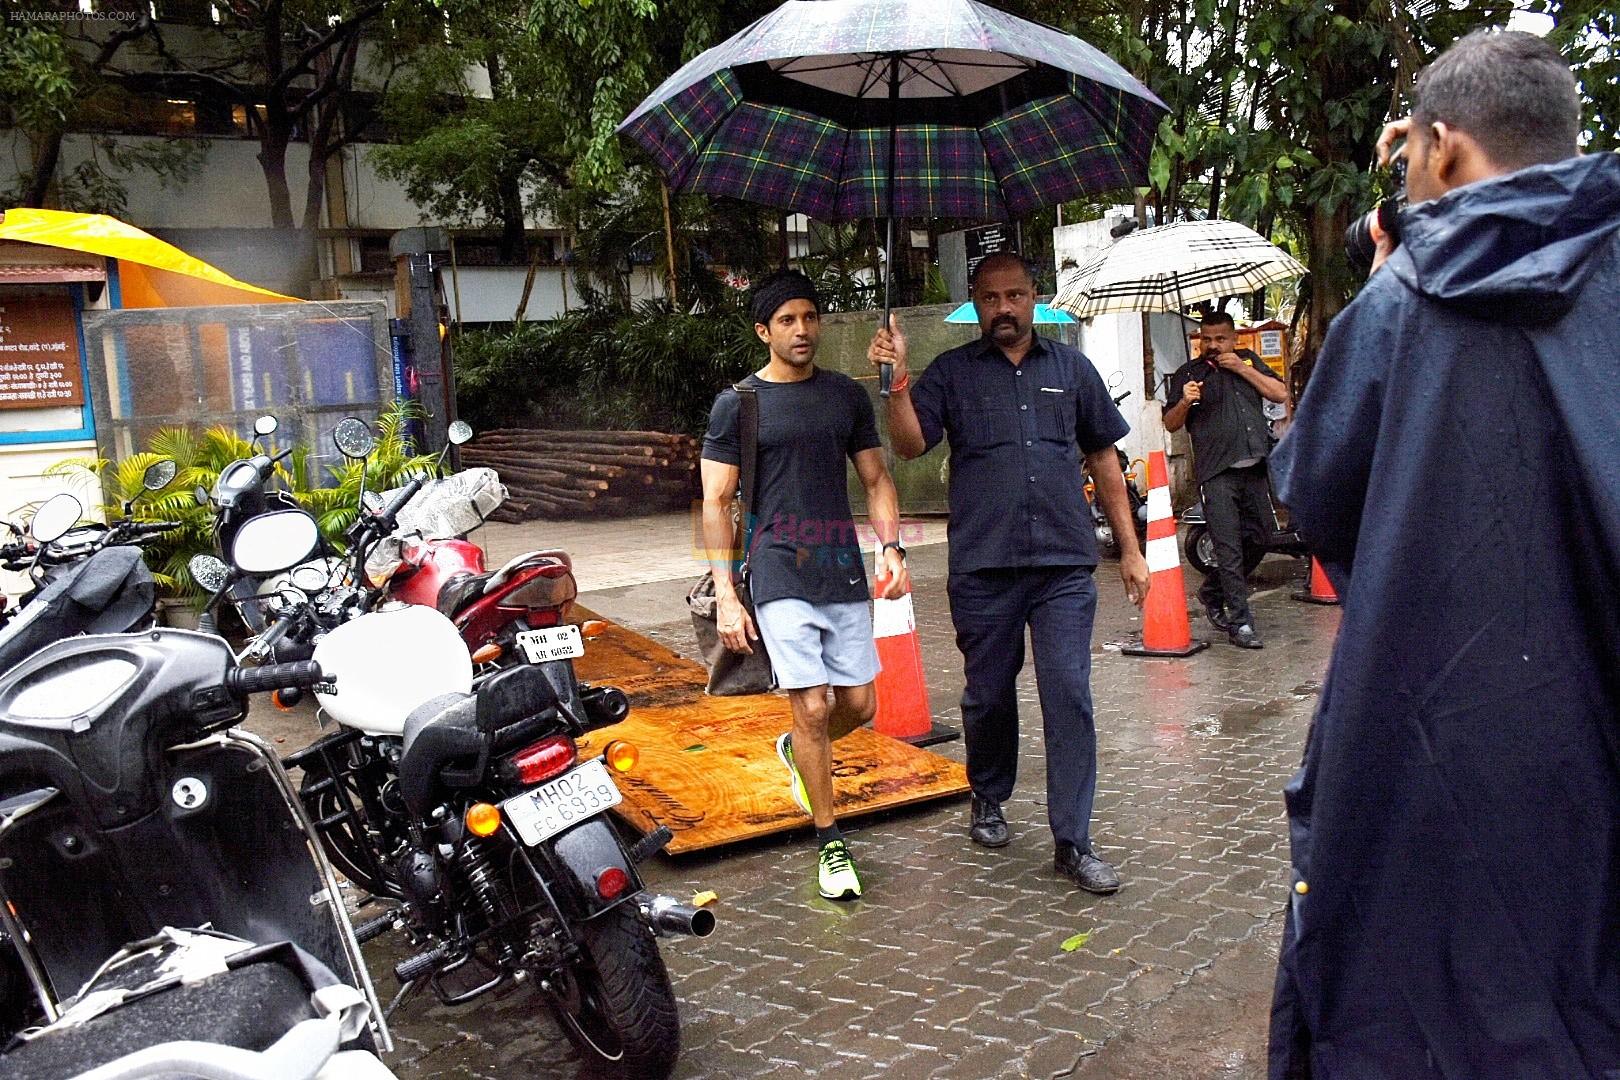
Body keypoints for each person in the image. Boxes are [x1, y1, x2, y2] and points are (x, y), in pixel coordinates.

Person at [1267, 30, 1620, 1077]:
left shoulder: (1402, 301)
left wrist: (1392, 276)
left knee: (1413, 999)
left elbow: (1316, 498)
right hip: (1594, 746)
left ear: (1448, 148)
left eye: (1414, 155)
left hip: (1420, 740)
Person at [869, 252, 1149, 895]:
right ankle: (988, 795)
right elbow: (911, 444)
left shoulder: (1072, 369)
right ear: (976, 302)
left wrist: (1131, 550)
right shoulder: (951, 373)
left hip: (1063, 566)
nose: (1004, 308)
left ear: (1033, 298)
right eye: (991, 298)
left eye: (1015, 296)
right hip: (985, 565)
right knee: (988, 694)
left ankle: (1073, 839)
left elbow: (1106, 459)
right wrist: (898, 380)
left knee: (1069, 694)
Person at [700, 269, 909, 902]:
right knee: (813, 704)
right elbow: (716, 500)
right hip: (776, 564)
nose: (801, 329)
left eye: (809, 317)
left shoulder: (845, 396)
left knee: (859, 707)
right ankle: (830, 841)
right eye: (786, 320)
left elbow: (877, 480)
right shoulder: (739, 403)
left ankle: (796, 750)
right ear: (764, 331)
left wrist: (891, 547)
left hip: (839, 565)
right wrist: (727, 595)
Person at [1163, 311, 1289, 648]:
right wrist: (1186, 401)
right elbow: (1171, 423)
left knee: (1261, 537)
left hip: (1254, 468)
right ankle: (1240, 622)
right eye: (1207, 339)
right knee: (1228, 547)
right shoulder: (1189, 375)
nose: (1213, 345)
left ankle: (1212, 590)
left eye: (1220, 339)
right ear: (1200, 340)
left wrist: (1242, 368)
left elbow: (1279, 393)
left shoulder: (1248, 361)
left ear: (1234, 339)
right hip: (1217, 472)